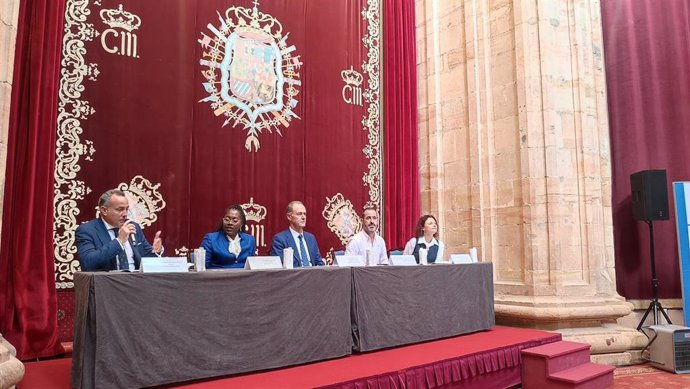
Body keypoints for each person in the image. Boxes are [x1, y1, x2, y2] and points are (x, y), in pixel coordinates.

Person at [76, 189, 163, 271]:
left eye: (126, 209)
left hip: (136, 282)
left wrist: (156, 251)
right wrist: (119, 241)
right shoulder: (87, 230)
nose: (125, 214)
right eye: (120, 209)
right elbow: (87, 263)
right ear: (104, 210)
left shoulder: (133, 226)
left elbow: (146, 260)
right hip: (107, 283)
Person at [270, 201, 324, 267]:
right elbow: (279, 267)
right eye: (299, 214)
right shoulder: (280, 239)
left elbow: (319, 262)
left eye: (304, 214)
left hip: (313, 275)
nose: (303, 217)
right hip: (294, 276)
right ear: (289, 217)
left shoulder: (311, 238)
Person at [201, 205, 256, 269]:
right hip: (218, 277)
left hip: (243, 278)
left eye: (235, 221)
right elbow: (202, 266)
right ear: (223, 220)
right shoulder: (211, 239)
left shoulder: (250, 240)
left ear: (241, 224)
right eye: (227, 220)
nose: (230, 223)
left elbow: (252, 266)